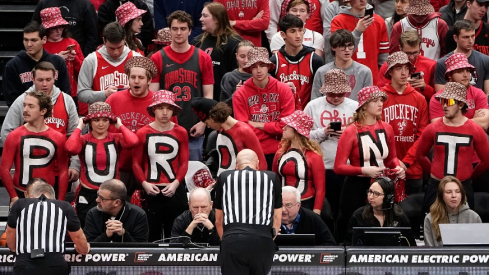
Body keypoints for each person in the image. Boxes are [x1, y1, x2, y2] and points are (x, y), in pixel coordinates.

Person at [334, 86, 405, 243]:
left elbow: (392, 158)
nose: (380, 104)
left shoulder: (387, 128)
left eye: (381, 100)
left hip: (382, 184)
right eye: (375, 101)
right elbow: (338, 167)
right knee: (352, 225)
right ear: (364, 105)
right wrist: (363, 170)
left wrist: (398, 168)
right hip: (356, 186)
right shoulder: (350, 131)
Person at [150, 10, 214, 161]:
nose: (179, 33)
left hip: (193, 127)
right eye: (175, 28)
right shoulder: (157, 57)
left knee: (193, 175)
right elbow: (152, 96)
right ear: (169, 30)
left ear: (190, 31)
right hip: (164, 126)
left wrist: (203, 123)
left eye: (183, 29)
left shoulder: (203, 57)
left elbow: (208, 96)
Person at [1, 62, 80, 184]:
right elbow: (7, 132)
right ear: (32, 79)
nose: (44, 84)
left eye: (48, 79)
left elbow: (74, 135)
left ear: (55, 78)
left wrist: (75, 165)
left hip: (59, 168)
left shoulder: (66, 100)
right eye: (40, 80)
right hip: (29, 170)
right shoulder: (23, 100)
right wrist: (22, 157)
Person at [416, 81, 489, 214]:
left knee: (466, 227)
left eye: (449, 102)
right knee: (430, 225)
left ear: (461, 104)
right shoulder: (432, 128)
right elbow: (420, 155)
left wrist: (469, 178)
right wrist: (434, 174)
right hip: (436, 185)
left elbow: (485, 161)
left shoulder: (475, 130)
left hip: (463, 185)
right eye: (442, 101)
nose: (444, 106)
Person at [65, 102, 139, 227]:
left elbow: (133, 141)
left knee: (112, 228)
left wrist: (120, 125)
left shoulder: (116, 138)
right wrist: (79, 127)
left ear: (110, 121)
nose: (100, 124)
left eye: (105, 120)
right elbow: (70, 148)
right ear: (89, 122)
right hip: (88, 192)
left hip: (112, 194)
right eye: (96, 120)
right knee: (86, 228)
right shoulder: (83, 139)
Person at [214, 149, 282, 275]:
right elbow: (277, 219)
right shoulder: (272, 178)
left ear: (235, 166)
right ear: (257, 164)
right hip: (262, 240)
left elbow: (219, 220)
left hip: (232, 240)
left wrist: (227, 240)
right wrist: (267, 239)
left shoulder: (224, 177)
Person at [133, 90, 189, 241]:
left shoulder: (181, 132)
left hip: (174, 189)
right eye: (160, 108)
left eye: (169, 108)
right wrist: (144, 184)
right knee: (152, 235)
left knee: (177, 235)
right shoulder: (142, 132)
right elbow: (136, 163)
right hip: (151, 190)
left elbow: (184, 162)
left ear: (174, 111)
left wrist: (176, 183)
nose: (165, 112)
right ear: (153, 110)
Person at [305, 69, 359, 221]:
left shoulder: (356, 107)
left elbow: (366, 135)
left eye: (340, 94)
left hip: (348, 168)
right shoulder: (312, 106)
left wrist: (349, 135)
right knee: (326, 213)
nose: (335, 98)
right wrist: (323, 132)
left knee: (346, 212)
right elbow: (302, 138)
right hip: (322, 167)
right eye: (331, 94)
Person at [0, 90, 69, 205]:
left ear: (43, 111)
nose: (25, 110)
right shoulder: (14, 136)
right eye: (24, 105)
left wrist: (60, 200)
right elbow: (4, 169)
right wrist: (13, 197)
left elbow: (63, 171)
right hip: (20, 194)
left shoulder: (58, 138)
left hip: (48, 195)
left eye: (31, 106)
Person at [232, 47, 295, 170]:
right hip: (254, 151)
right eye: (254, 67)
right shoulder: (240, 94)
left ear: (268, 66)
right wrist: (273, 129)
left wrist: (259, 125)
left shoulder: (283, 90)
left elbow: (286, 127)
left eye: (262, 65)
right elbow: (244, 130)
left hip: (282, 149)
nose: (258, 70)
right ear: (249, 69)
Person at [6, 183, 90, 274]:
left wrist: (15, 250)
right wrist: (83, 249)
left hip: (25, 264)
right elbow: (78, 238)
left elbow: (10, 233)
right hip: (55, 264)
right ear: (53, 198)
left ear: (31, 196)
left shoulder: (19, 204)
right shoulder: (64, 206)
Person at [105, 56, 159, 198]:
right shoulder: (114, 99)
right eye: (132, 77)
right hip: (119, 168)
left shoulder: (159, 103)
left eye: (141, 77)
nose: (136, 81)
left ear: (149, 80)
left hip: (149, 169)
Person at [381, 51, 429, 195]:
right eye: (398, 68)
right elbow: (377, 132)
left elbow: (423, 136)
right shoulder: (381, 97)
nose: (404, 73)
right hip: (386, 167)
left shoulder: (419, 99)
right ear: (390, 72)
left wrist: (406, 162)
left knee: (413, 213)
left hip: (413, 169)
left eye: (406, 68)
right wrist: (394, 163)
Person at [77, 22, 141, 115]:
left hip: (130, 116)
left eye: (119, 47)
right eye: (111, 48)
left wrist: (134, 90)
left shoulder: (137, 59)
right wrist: (104, 94)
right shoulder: (91, 60)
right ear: (104, 41)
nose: (116, 52)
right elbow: (82, 94)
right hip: (101, 120)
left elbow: (148, 90)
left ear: (124, 39)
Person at [191, 98, 267, 175]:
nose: (209, 127)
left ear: (212, 118)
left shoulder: (244, 130)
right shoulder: (220, 130)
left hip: (242, 179)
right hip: (223, 179)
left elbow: (261, 163)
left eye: (207, 123)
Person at [2, 21, 70, 107]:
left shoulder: (58, 62)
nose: (29, 44)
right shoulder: (12, 66)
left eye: (34, 40)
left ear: (44, 40)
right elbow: (12, 101)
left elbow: (65, 94)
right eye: (26, 40)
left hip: (55, 115)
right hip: (25, 116)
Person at [272, 110, 325, 214]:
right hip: (283, 204)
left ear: (297, 130)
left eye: (288, 126)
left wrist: (316, 212)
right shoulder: (280, 153)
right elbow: (275, 181)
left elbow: (320, 189)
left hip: (306, 204)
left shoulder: (314, 157)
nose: (284, 128)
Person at [270, 14, 324, 110]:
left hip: (308, 115)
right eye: (293, 31)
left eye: (300, 30)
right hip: (282, 116)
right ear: (283, 34)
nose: (298, 35)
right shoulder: (274, 61)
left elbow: (320, 93)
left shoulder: (315, 60)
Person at [192, 2, 243, 101]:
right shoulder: (197, 42)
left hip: (224, 100)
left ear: (216, 19)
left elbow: (237, 74)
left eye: (205, 16)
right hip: (201, 99)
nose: (200, 19)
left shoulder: (234, 42)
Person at [331, 0, 389, 86]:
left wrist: (383, 81)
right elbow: (339, 51)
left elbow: (383, 57)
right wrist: (357, 31)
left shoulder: (379, 21)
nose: (362, 0)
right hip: (345, 77)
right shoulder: (338, 21)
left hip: (373, 79)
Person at [344, 177, 416, 245]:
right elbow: (348, 246)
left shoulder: (399, 216)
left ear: (388, 198)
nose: (371, 196)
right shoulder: (359, 216)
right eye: (370, 192)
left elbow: (411, 246)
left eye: (376, 194)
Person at [430, 53, 489, 130]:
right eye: (460, 71)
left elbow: (484, 123)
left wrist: (451, 123)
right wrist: (473, 121)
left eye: (467, 70)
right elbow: (438, 128)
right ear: (449, 75)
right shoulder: (438, 98)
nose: (465, 75)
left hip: (474, 140)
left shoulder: (478, 93)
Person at [311, 29, 372, 101]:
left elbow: (368, 102)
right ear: (333, 47)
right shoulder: (322, 72)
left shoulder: (364, 72)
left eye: (350, 46)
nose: (347, 50)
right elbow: (315, 101)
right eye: (342, 46)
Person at [40, 7, 84, 105]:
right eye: (54, 28)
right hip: (47, 92)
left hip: (71, 91)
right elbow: (37, 68)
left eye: (60, 27)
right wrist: (56, 59)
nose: (58, 31)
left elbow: (83, 71)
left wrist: (75, 59)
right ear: (46, 29)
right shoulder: (42, 45)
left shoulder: (72, 43)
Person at [83, 179, 149, 242]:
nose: (97, 200)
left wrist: (124, 234)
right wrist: (106, 235)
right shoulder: (93, 214)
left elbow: (141, 248)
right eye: (98, 196)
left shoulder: (138, 215)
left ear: (117, 202)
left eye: (102, 198)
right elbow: (89, 246)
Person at [378, 30, 437, 101]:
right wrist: (399, 84)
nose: (412, 57)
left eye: (415, 52)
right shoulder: (388, 66)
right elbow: (379, 95)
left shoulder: (431, 65)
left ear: (420, 47)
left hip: (420, 108)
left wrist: (425, 87)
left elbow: (438, 99)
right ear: (400, 48)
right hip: (394, 107)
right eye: (408, 53)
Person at [424, 175, 482, 246]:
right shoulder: (430, 218)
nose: (454, 195)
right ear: (441, 195)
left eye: (457, 192)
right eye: (448, 192)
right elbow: (429, 251)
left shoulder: (474, 217)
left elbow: (480, 250)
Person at [434, 20, 489, 93]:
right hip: (452, 102)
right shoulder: (443, 63)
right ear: (455, 38)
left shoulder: (485, 60)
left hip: (478, 102)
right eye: (466, 37)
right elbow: (442, 98)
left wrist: (479, 103)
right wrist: (457, 104)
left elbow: (487, 94)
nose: (470, 41)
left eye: (472, 36)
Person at [32, 0, 98, 56]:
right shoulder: (44, 3)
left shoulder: (86, 5)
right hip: (47, 54)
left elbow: (92, 36)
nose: (58, 30)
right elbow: (34, 30)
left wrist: (83, 57)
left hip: (75, 54)